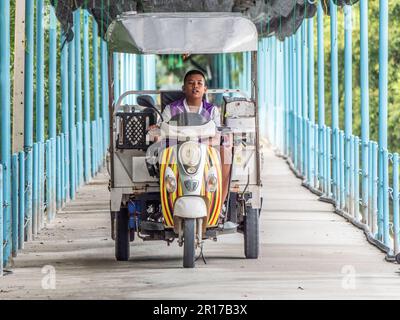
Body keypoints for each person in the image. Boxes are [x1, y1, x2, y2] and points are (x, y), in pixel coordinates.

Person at [149, 69, 232, 207]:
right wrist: (155, 132)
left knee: (226, 152)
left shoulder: (212, 110)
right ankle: (168, 205)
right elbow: (162, 131)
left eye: (199, 83)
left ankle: (219, 206)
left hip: (205, 151)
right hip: (176, 150)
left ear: (205, 88)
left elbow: (217, 136)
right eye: (191, 83)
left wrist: (200, 143)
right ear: (183, 88)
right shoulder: (171, 109)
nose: (195, 86)